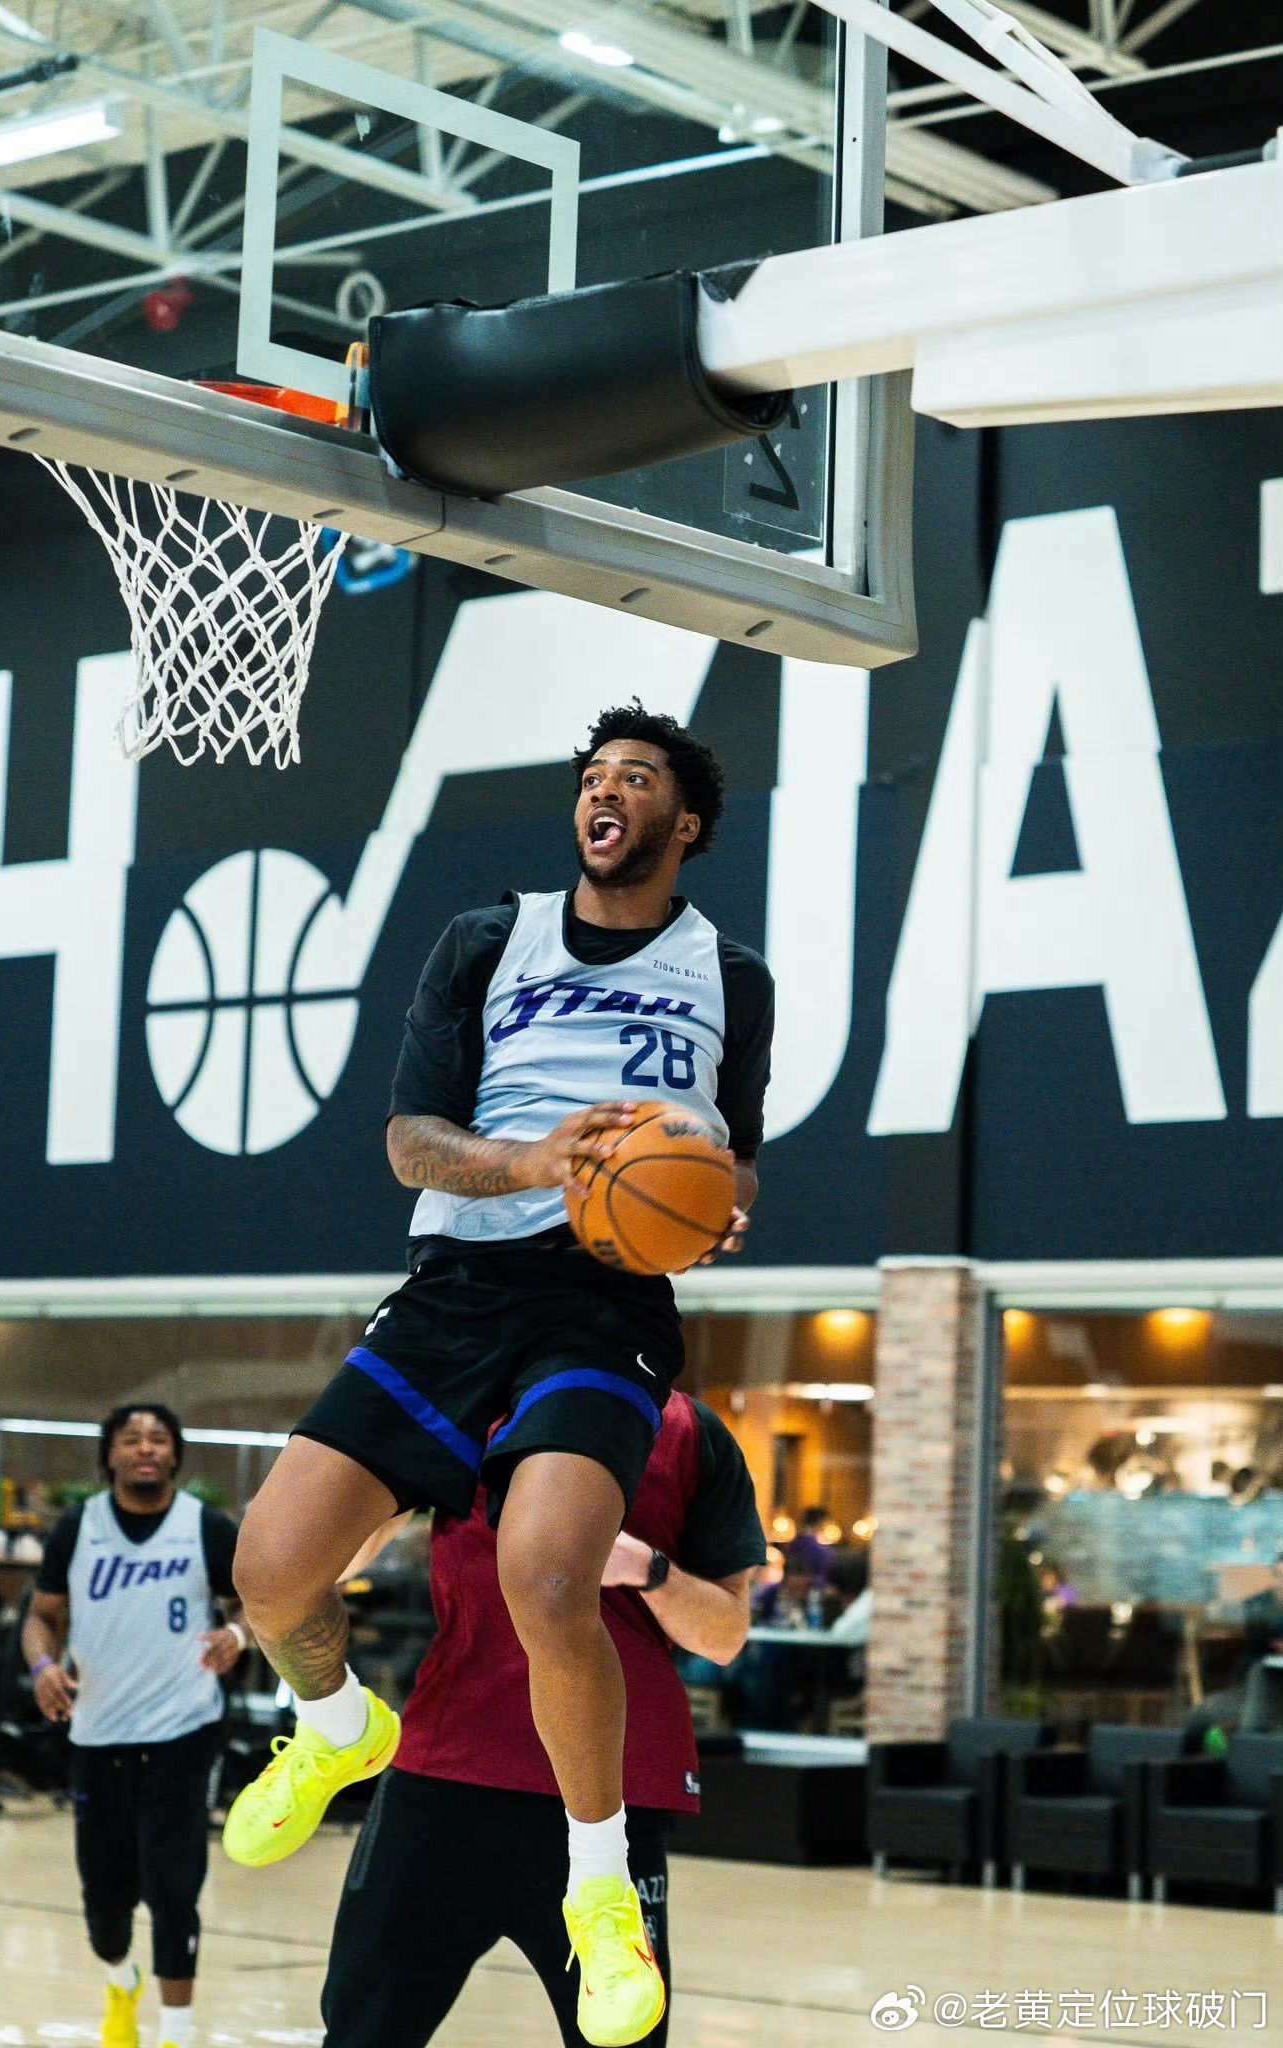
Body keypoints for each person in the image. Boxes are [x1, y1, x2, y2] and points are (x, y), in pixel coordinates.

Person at [224, 701, 773, 2047]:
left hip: (602, 1311)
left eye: (635, 778)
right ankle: (338, 1722)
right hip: (458, 1286)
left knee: (544, 1572)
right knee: (270, 1567)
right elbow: (411, 1141)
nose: (606, 792)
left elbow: (738, 1154)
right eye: (593, 776)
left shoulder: (731, 976)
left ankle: (598, 1890)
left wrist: (713, 1205)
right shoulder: (485, 940)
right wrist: (537, 1162)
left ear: (680, 823)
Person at [320, 1389, 766, 2048]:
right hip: (444, 1780)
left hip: (611, 1795)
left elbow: (726, 1635)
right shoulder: (464, 1406)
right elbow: (333, 1562)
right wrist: (392, 1483)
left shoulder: (689, 1432)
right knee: (362, 2030)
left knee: (621, 2040)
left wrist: (649, 1570)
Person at [24, 1404, 249, 2048]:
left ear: (175, 1456)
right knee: (105, 1905)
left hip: (184, 1730)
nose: (145, 1448)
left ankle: (175, 2032)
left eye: (158, 1440)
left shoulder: (205, 1527)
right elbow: (41, 1616)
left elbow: (260, 1606)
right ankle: (120, 1981)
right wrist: (42, 1665)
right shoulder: (79, 1526)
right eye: (131, 1439)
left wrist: (236, 1634)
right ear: (111, 1456)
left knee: (174, 1886)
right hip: (98, 1733)